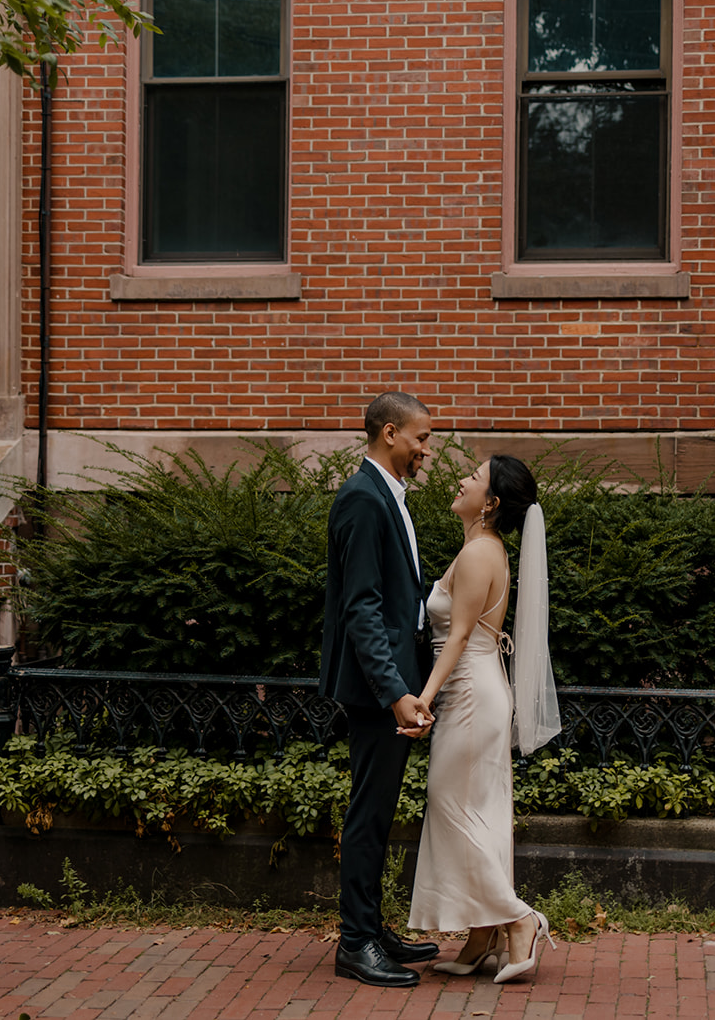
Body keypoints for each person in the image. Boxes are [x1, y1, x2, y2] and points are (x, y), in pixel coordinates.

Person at [406, 454, 562, 984]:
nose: (461, 479)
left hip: (470, 695)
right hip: (479, 690)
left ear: (491, 502)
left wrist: (423, 699)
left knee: (451, 806)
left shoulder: (479, 554)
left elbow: (456, 639)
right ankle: (482, 936)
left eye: (473, 477)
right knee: (481, 811)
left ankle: (519, 919)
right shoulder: (483, 548)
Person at [319, 391, 441, 988]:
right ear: (389, 433)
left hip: (393, 681)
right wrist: (395, 691)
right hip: (377, 690)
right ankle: (356, 943)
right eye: (421, 438)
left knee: (379, 808)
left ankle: (372, 926)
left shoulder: (385, 494)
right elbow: (362, 611)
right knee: (368, 813)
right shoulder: (363, 499)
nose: (427, 450)